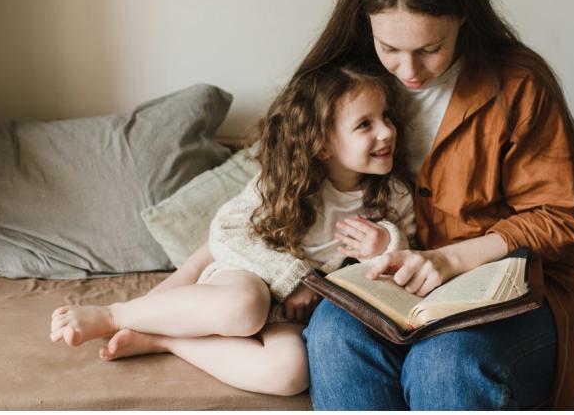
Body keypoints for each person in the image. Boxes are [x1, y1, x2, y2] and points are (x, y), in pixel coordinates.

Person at [297, 0, 574, 409]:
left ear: (463, 19)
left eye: (431, 48)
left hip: (514, 281)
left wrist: (451, 259)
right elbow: (276, 190)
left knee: (447, 362)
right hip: (391, 283)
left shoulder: (519, 83)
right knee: (333, 334)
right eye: (390, 49)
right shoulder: (343, 85)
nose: (409, 70)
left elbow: (558, 216)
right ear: (366, 26)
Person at [49, 65, 415, 397]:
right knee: (244, 308)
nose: (387, 132)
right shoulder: (283, 182)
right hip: (248, 280)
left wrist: (387, 245)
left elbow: (406, 259)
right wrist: (296, 277)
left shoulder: (394, 195)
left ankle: (166, 339)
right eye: (365, 125)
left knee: (289, 374)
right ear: (321, 145)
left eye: (386, 118)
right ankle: (114, 315)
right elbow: (225, 231)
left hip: (290, 315)